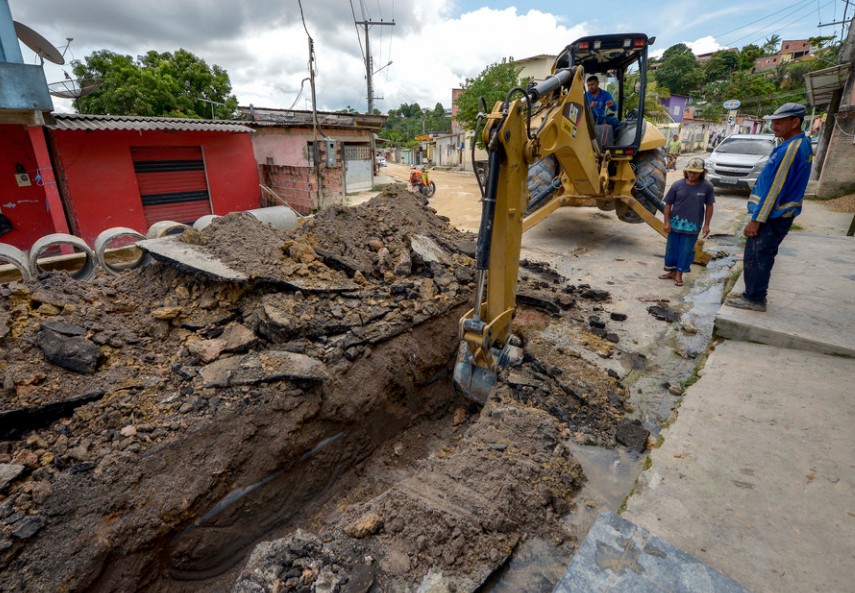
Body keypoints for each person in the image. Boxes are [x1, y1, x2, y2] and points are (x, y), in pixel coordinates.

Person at [726, 102, 812, 312]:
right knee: (759, 255)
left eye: (778, 123)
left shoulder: (791, 149)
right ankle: (752, 294)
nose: (773, 127)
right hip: (776, 215)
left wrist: (756, 220)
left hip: (772, 216)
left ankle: (754, 299)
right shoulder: (794, 143)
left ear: (795, 121)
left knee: (757, 256)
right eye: (772, 123)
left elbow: (775, 188)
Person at [658, 157, 715, 287]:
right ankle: (672, 272)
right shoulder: (677, 185)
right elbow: (668, 205)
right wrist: (666, 222)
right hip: (674, 225)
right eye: (689, 171)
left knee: (686, 250)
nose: (692, 174)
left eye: (695, 172)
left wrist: (707, 225)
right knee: (671, 249)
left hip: (692, 226)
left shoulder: (707, 187)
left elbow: (709, 206)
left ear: (702, 172)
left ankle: (679, 274)